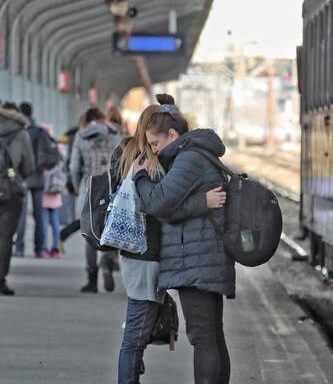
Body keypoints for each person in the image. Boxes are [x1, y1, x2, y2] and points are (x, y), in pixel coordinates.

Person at [111, 104, 226, 384]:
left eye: (156, 142)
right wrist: (202, 203)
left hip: (161, 254)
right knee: (139, 333)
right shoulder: (144, 157)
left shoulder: (172, 157)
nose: (155, 147)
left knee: (151, 333)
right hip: (147, 253)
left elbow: (164, 203)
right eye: (152, 142)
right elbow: (161, 204)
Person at [70, 107, 120, 293]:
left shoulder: (81, 136)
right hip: (111, 188)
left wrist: (77, 188)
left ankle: (92, 280)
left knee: (89, 234)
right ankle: (108, 261)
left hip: (89, 189)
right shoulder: (114, 135)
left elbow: (74, 167)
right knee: (112, 230)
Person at [0, 102, 35, 295]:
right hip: (11, 190)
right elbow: (29, 167)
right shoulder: (21, 134)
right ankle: (0, 279)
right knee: (5, 238)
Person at [14, 102, 46, 258]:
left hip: (24, 177)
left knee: (21, 215)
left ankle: (19, 248)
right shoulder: (40, 131)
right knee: (39, 215)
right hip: (38, 178)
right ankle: (39, 249)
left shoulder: (20, 131)